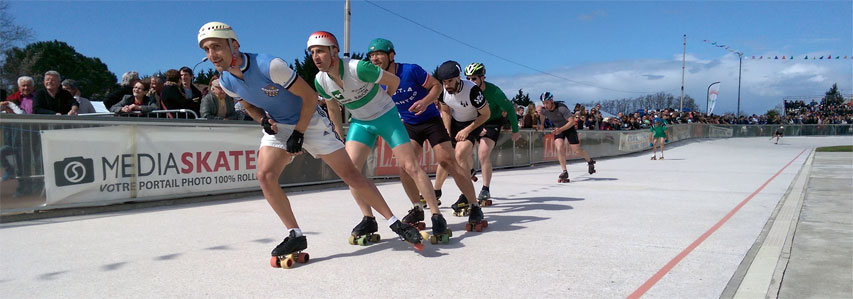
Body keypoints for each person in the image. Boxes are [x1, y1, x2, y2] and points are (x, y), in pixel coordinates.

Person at [197, 22, 423, 257]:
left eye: (216, 46)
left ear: (234, 45)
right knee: (265, 176)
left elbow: (309, 96)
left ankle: (395, 222)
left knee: (351, 175)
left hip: (311, 121)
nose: (212, 54)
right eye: (206, 49)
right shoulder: (225, 81)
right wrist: (262, 120)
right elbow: (246, 104)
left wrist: (299, 132)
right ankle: (295, 234)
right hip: (280, 126)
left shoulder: (269, 65)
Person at [310, 31, 450, 240]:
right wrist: (338, 134)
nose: (315, 57)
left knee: (410, 166)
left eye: (320, 51)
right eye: (312, 52)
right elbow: (332, 107)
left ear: (335, 52)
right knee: (351, 172)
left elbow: (393, 81)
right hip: (361, 123)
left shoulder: (358, 68)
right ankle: (368, 218)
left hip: (386, 117)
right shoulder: (320, 80)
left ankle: (437, 215)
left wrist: (385, 102)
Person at [366, 38, 482, 237]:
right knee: (405, 167)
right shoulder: (377, 80)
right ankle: (417, 208)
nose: (374, 58)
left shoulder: (411, 70)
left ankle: (474, 205)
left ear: (391, 56)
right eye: (371, 55)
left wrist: (425, 101)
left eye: (379, 54)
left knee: (447, 161)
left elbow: (436, 87)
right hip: (409, 125)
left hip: (430, 121)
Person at [427, 60, 489, 229]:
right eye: (444, 82)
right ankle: (436, 191)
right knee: (445, 155)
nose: (447, 85)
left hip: (473, 122)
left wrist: (468, 130)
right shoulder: (442, 90)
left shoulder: (472, 91)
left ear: (458, 78)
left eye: (450, 81)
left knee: (460, 154)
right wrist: (447, 132)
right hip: (455, 122)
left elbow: (485, 114)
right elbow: (445, 110)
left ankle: (468, 198)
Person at [459, 62, 520, 202]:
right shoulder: (465, 90)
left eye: (474, 78)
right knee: (464, 150)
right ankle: (470, 170)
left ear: (482, 78)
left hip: (492, 122)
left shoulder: (494, 92)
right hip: (475, 121)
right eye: (468, 79)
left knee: (483, 153)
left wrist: (515, 130)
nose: (470, 82)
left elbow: (510, 109)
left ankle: (485, 188)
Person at [538, 92, 596, 183]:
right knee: (559, 147)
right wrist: (541, 124)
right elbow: (541, 115)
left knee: (577, 150)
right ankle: (564, 171)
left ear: (551, 101)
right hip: (558, 129)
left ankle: (590, 161)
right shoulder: (544, 110)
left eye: (546, 103)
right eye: (543, 103)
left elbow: (572, 122)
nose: (545, 105)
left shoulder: (562, 108)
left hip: (569, 128)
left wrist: (560, 129)